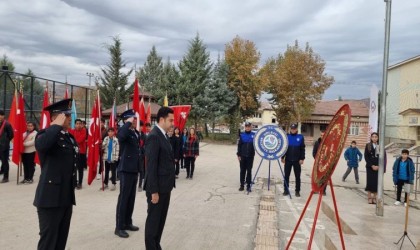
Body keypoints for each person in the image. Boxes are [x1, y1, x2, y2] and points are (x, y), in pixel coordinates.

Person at [33, 99, 78, 250]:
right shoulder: (45, 135)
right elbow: (43, 145)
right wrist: (55, 125)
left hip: (65, 197)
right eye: (66, 115)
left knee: (61, 239)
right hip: (50, 198)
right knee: (48, 241)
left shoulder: (69, 138)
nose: (69, 117)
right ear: (55, 117)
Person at [144, 107, 175, 250]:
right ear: (161, 119)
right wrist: (154, 191)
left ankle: (156, 245)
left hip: (165, 187)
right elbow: (151, 167)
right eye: (170, 120)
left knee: (160, 222)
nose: (173, 123)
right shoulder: (154, 136)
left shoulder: (164, 135)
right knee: (153, 223)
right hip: (157, 190)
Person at [115, 109, 142, 238]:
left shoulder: (134, 132)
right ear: (126, 119)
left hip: (133, 168)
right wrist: (127, 123)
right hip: (125, 169)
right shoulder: (123, 130)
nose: (135, 120)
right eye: (133, 118)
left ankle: (127, 222)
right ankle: (119, 227)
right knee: (124, 198)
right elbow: (120, 136)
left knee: (131, 198)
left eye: (134, 118)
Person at [282, 123, 305, 197]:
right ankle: (286, 190)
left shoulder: (300, 137)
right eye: (292, 129)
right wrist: (282, 157)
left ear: (296, 129)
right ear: (290, 129)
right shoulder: (287, 137)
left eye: (294, 129)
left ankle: (297, 191)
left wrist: (302, 158)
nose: (293, 130)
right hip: (288, 160)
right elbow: (284, 148)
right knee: (286, 176)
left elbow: (302, 149)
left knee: (297, 177)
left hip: (297, 161)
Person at [237, 122, 255, 192]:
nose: (247, 128)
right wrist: (238, 155)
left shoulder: (254, 135)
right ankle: (242, 185)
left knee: (249, 171)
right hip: (243, 156)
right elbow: (239, 146)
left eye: (249, 126)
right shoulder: (242, 135)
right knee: (242, 171)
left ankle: (248, 186)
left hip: (250, 157)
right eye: (246, 126)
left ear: (251, 127)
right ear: (245, 127)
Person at [69, 119, 87, 189]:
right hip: (73, 152)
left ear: (82, 124)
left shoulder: (84, 131)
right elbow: (71, 140)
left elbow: (80, 140)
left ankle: (80, 183)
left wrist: (74, 141)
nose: (78, 125)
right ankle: (74, 182)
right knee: (73, 169)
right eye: (77, 123)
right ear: (75, 124)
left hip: (81, 152)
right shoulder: (72, 131)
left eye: (80, 123)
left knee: (80, 169)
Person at [364, 132, 380, 204]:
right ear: (371, 138)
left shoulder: (379, 145)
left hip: (378, 167)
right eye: (373, 137)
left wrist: (379, 166)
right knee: (370, 182)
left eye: (376, 137)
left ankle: (374, 197)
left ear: (378, 138)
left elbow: (382, 157)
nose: (374, 138)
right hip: (370, 167)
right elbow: (366, 156)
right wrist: (372, 165)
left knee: (377, 182)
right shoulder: (368, 145)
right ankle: (369, 197)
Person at [0, 110, 14, 183]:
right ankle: (1, 171)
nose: (0, 117)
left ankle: (6, 177)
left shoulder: (7, 124)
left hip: (4, 146)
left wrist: (5, 140)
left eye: (1, 115)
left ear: (3, 116)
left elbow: (11, 135)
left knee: (5, 161)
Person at [312, 130, 327, 195]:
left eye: (323, 135)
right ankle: (316, 189)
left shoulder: (328, 143)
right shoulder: (317, 143)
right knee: (316, 176)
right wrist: (317, 160)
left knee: (324, 177)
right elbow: (314, 152)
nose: (322, 136)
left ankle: (323, 190)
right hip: (317, 163)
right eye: (321, 135)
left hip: (325, 163)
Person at [138, 121, 146, 192]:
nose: (140, 127)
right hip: (134, 156)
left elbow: (145, 146)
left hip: (141, 156)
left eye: (141, 126)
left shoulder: (144, 136)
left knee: (141, 170)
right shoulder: (134, 134)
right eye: (139, 126)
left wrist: (143, 154)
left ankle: (140, 184)